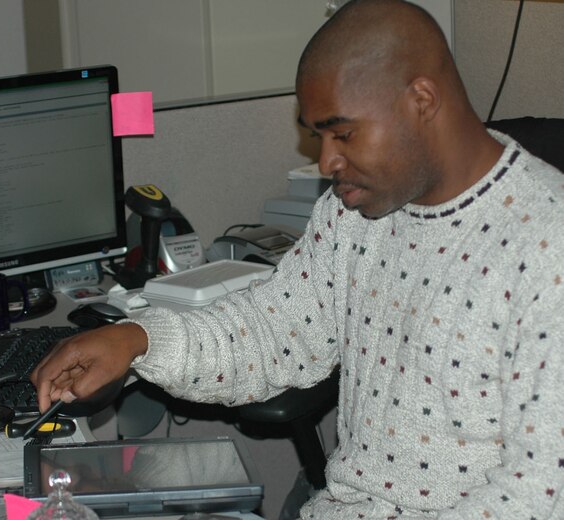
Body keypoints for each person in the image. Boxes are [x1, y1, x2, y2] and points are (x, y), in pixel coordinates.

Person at [31, 0, 564, 518]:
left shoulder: (545, 247)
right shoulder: (353, 215)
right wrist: (136, 340)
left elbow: (539, 496)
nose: (327, 161)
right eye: (318, 136)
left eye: (343, 133)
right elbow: (274, 331)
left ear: (421, 100)